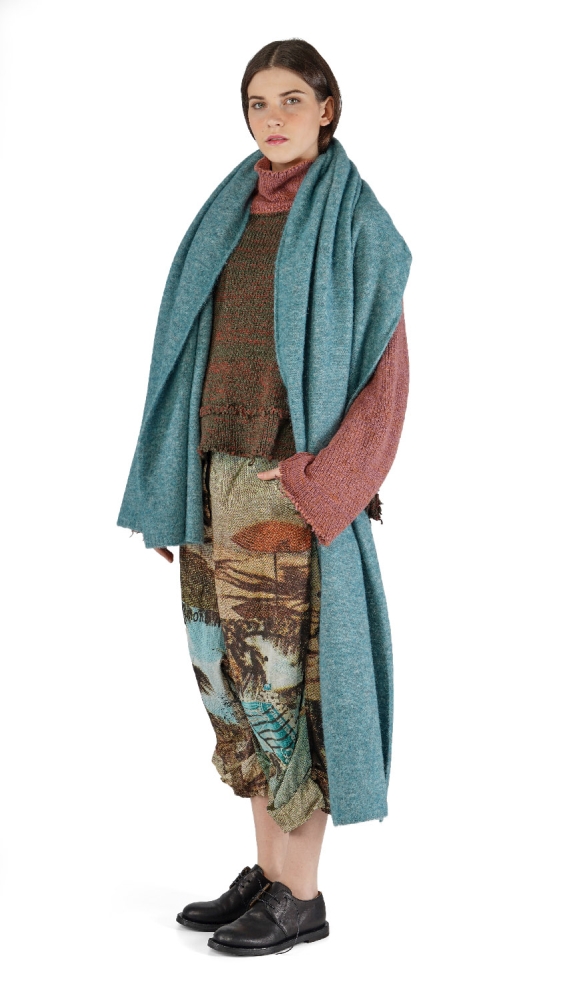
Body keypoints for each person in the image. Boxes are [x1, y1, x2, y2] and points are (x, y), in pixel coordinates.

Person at [117, 38, 412, 957]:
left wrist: (321, 482)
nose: (272, 118)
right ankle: (268, 870)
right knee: (229, 684)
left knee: (283, 692)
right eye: (257, 102)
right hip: (213, 479)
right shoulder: (229, 212)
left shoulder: (357, 225)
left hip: (284, 491)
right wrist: (171, 485)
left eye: (291, 100)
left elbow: (386, 383)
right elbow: (184, 359)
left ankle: (301, 895)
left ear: (327, 108)